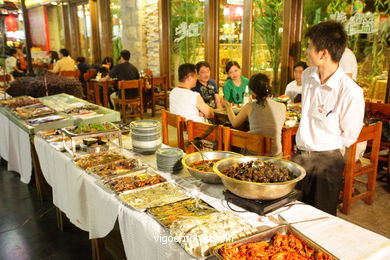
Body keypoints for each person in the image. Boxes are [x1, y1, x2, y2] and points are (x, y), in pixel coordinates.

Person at [293, 21, 365, 215]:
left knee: (320, 220)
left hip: (326, 163)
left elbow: (349, 136)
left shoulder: (350, 92)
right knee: (293, 213)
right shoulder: (308, 75)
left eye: (309, 46)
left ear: (323, 53)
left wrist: (323, 148)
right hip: (301, 157)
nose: (306, 51)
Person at [223, 73, 286, 156]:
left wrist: (228, 106)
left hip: (254, 156)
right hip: (276, 155)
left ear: (252, 91)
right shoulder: (282, 106)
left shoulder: (249, 106)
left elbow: (234, 123)